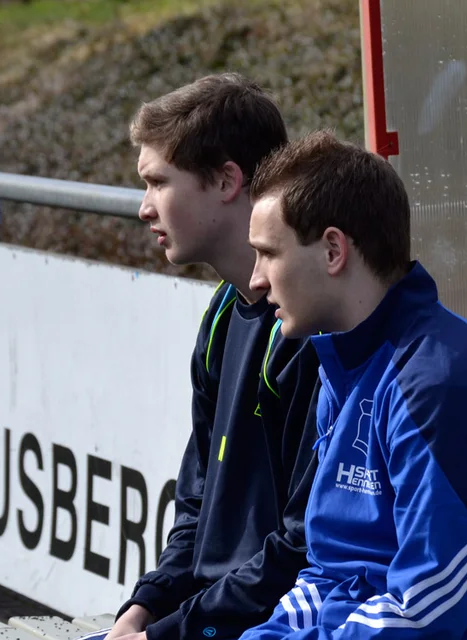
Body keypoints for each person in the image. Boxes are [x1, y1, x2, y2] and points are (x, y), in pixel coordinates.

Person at [239, 131, 467, 639]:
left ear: (334, 250)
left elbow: (425, 611)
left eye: (268, 253)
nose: (255, 279)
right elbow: (330, 570)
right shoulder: (346, 362)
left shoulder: (439, 385)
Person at [104, 74, 321, 640]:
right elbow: (197, 504)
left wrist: (169, 632)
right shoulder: (224, 312)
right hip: (203, 618)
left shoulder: (308, 334)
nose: (144, 207)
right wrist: (145, 607)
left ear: (226, 180)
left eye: (157, 183)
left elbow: (301, 550)